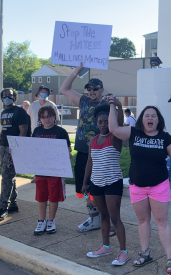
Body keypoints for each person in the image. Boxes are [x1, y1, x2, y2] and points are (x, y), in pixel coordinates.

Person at [108, 102, 171, 272]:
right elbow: (113, 129)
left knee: (162, 222)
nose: (150, 118)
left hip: (159, 185)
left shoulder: (165, 137)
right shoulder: (133, 132)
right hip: (137, 186)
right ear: (142, 119)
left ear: (158, 120)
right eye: (147, 115)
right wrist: (112, 107)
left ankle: (170, 259)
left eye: (153, 116)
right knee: (143, 221)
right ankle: (145, 254)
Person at [60, 62, 108, 233]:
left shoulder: (107, 105)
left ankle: (105, 220)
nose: (91, 91)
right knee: (84, 187)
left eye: (95, 88)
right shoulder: (84, 101)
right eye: (89, 88)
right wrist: (77, 71)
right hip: (82, 152)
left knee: (99, 188)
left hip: (99, 154)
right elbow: (64, 89)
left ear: (101, 89)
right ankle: (94, 218)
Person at [84, 103, 129, 265]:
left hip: (112, 183)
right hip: (96, 183)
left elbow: (120, 123)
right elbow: (90, 162)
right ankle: (106, 246)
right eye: (100, 122)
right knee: (103, 216)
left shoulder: (115, 137)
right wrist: (85, 182)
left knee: (115, 218)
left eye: (106, 122)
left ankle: (123, 251)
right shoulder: (93, 140)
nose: (103, 125)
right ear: (96, 123)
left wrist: (116, 105)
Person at [32, 106, 71, 235]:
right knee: (41, 197)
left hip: (55, 172)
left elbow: (67, 149)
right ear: (40, 119)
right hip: (40, 170)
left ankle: (51, 221)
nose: (46, 119)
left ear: (54, 117)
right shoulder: (37, 131)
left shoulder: (61, 132)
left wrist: (68, 155)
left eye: (49, 116)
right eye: (43, 117)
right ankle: (41, 221)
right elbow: (31, 150)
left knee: (53, 197)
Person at [0, 88, 30, 220]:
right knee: (10, 176)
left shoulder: (19, 112)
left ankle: (3, 207)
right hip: (3, 147)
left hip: (12, 148)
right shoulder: (3, 112)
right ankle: (13, 204)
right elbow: (2, 132)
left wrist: (16, 151)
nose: (7, 97)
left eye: (10, 95)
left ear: (15, 98)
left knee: (6, 178)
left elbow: (23, 132)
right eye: (4, 95)